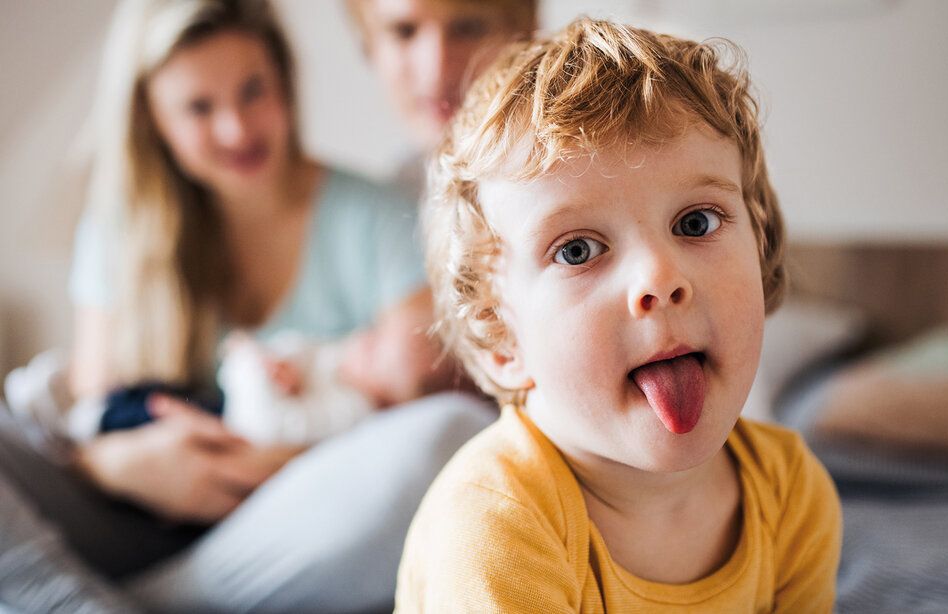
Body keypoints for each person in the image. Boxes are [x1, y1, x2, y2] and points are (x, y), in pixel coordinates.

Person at [0, 0, 493, 612]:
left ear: (285, 83)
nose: (236, 128)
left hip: (282, 527)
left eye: (252, 91)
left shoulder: (378, 220)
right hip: (132, 516)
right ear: (153, 119)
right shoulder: (118, 234)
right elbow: (91, 419)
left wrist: (259, 464)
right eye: (200, 108)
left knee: (451, 439)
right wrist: (117, 466)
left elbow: (414, 398)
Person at [395, 18, 842, 612]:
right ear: (503, 339)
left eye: (696, 222)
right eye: (577, 250)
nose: (659, 279)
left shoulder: (790, 493)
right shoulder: (499, 522)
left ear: (760, 251)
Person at [344, 0, 538, 196]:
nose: (436, 71)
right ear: (368, 46)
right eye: (405, 31)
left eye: (467, 28)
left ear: (526, 35)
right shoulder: (392, 201)